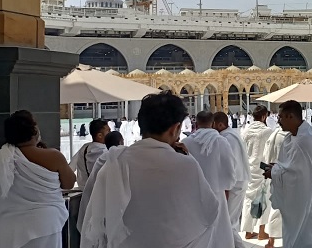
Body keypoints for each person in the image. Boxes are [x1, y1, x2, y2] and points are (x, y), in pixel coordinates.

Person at [80, 91, 233, 248]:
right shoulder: (185, 165)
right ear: (175, 128)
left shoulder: (113, 163)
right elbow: (208, 214)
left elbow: (90, 220)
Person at [0, 110, 75, 248]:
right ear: (34, 131)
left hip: (10, 225)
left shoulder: (4, 159)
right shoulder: (53, 156)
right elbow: (69, 183)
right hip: (45, 223)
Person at [262, 100, 312, 248]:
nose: (278, 121)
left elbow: (298, 177)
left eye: (281, 117)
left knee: (305, 242)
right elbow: (291, 167)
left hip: (306, 203)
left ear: (290, 116)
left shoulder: (303, 141)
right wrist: (277, 168)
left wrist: (274, 173)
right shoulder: (297, 135)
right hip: (300, 202)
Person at [181, 111, 235, 242]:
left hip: (194, 194)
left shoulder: (186, 142)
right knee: (218, 231)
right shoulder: (222, 142)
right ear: (213, 123)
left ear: (196, 123)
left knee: (197, 232)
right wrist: (227, 187)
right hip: (216, 192)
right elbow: (229, 169)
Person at [212, 111, 249, 248]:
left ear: (220, 124)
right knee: (231, 221)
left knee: (228, 223)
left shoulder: (227, 138)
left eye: (214, 124)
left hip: (235, 183)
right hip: (239, 181)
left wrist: (226, 187)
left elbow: (229, 165)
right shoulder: (232, 134)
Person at [241, 105, 275, 241]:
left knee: (249, 199)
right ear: (264, 116)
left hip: (249, 169)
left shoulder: (245, 131)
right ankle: (262, 231)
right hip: (263, 168)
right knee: (264, 198)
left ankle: (248, 231)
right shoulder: (267, 131)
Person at [262, 123, 289, 248]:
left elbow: (268, 155)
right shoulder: (294, 137)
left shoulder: (275, 135)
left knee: (276, 208)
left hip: (277, 173)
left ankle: (272, 241)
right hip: (285, 176)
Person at [70, 119, 110, 187]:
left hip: (84, 190)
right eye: (108, 131)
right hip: (98, 192)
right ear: (99, 135)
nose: (111, 133)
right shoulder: (104, 151)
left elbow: (71, 167)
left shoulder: (85, 147)